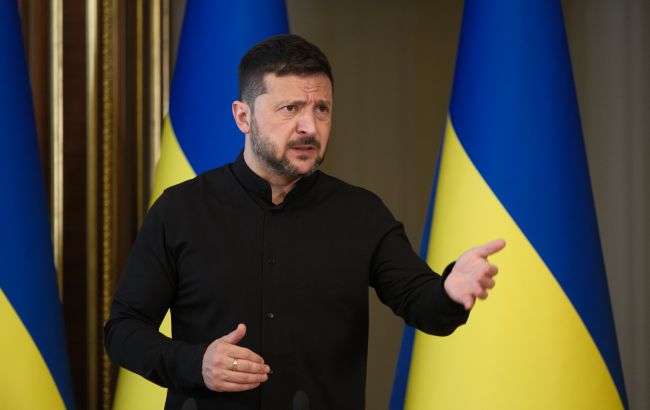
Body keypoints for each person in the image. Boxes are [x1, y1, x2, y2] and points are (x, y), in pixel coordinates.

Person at [104, 34, 505, 410]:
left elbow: (422, 302)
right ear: (243, 117)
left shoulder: (361, 213)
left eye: (321, 109)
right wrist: (196, 364)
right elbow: (123, 331)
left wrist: (450, 292)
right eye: (290, 109)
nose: (310, 128)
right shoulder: (180, 210)